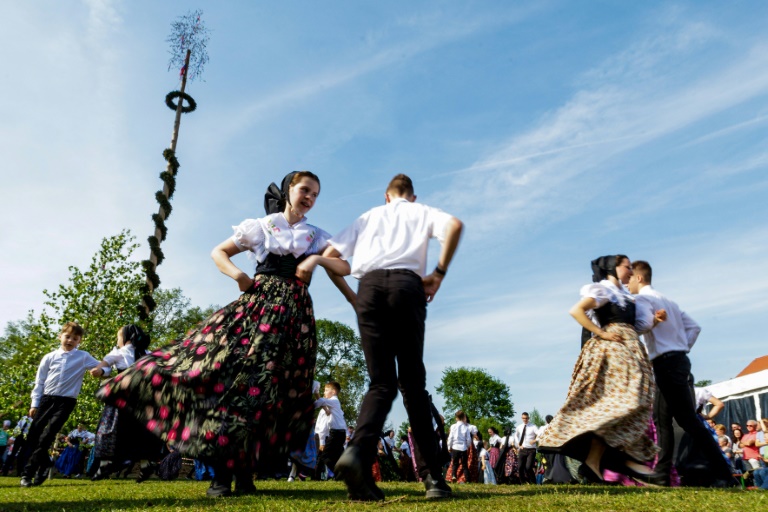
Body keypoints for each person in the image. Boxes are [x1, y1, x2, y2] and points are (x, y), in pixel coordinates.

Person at [96, 171, 352, 497]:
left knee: (268, 400)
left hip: (293, 325)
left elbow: (343, 266)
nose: (310, 198)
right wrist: (240, 277)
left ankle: (245, 477)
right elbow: (219, 252)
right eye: (305, 190)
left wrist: (316, 258)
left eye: (316, 194)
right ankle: (221, 476)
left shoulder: (315, 236)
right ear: (289, 190)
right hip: (256, 313)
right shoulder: (261, 227)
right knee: (232, 388)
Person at [327, 173, 463, 501]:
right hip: (406, 284)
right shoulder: (420, 211)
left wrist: (352, 296)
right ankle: (432, 478)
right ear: (411, 197)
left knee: (381, 382)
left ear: (386, 196)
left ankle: (358, 452)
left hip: (370, 287)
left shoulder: (369, 216)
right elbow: (455, 225)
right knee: (412, 384)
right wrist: (439, 273)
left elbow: (331, 255)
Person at [537, 255, 664, 484]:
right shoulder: (604, 290)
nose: (630, 271)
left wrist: (654, 321)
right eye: (627, 267)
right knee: (623, 403)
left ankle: (593, 465)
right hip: (611, 352)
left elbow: (638, 327)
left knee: (633, 402)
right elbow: (576, 310)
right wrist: (601, 332)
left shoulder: (628, 297)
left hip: (630, 349)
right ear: (613, 269)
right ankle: (621, 461)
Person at [628, 260, 736, 487]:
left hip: (665, 362)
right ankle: (663, 472)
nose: (626, 283)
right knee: (663, 419)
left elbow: (643, 323)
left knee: (686, 420)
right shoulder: (670, 301)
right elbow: (694, 327)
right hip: (677, 361)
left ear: (639, 278)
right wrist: (681, 347)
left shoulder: (643, 299)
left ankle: (723, 474)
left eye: (629, 278)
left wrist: (635, 328)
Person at [20, 322, 103, 487]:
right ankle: (46, 463)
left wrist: (100, 372)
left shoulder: (83, 356)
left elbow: (103, 367)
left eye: (75, 338)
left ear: (79, 341)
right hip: (46, 399)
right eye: (67, 336)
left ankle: (27, 474)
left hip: (66, 402)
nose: (70, 340)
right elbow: (40, 382)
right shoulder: (49, 357)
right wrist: (34, 403)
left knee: (47, 436)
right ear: (60, 336)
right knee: (33, 436)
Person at [91, 324, 162, 482]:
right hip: (143, 398)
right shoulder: (149, 354)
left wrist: (99, 371)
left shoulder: (119, 352)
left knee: (109, 427)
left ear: (125, 338)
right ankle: (145, 465)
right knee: (141, 431)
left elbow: (104, 365)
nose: (117, 340)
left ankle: (105, 464)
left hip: (123, 397)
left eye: (118, 337)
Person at [314, 381, 348, 478]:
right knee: (337, 456)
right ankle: (342, 474)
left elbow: (320, 402)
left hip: (336, 433)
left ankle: (339, 474)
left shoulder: (334, 401)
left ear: (333, 392)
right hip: (340, 433)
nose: (324, 392)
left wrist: (316, 394)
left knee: (324, 456)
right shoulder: (334, 403)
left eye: (326, 390)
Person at [446, 411, 472, 483]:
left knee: (455, 463)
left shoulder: (453, 426)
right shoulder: (466, 427)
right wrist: (467, 446)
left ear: (456, 417)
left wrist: (449, 446)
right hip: (463, 447)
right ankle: (467, 479)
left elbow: (450, 437)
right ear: (463, 417)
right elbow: (468, 439)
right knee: (464, 465)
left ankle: (454, 475)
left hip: (455, 447)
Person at [515, 412, 538, 484]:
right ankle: (523, 482)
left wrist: (535, 440)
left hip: (531, 449)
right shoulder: (519, 427)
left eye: (526, 418)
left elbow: (540, 435)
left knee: (528, 467)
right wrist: (518, 444)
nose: (525, 419)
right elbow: (515, 436)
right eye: (523, 418)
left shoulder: (533, 426)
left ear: (528, 418)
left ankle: (533, 482)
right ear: (522, 418)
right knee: (520, 467)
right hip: (522, 449)